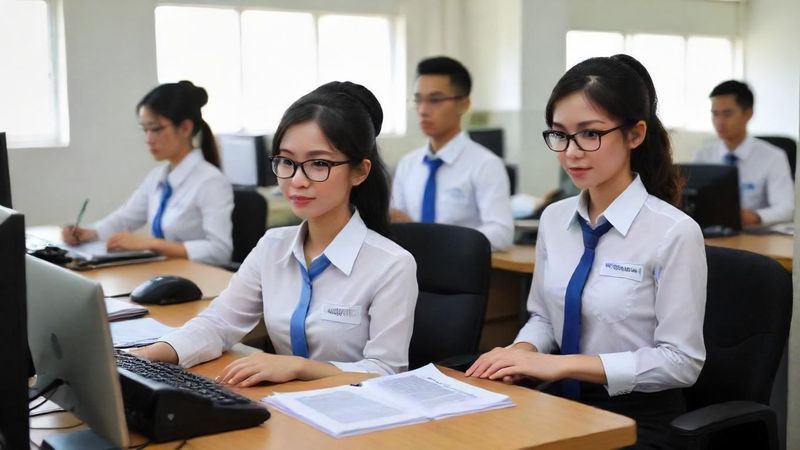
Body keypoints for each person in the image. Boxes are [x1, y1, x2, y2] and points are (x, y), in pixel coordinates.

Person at [466, 55, 707, 448]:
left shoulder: (674, 233)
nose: (571, 152)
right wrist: (521, 352)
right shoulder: (554, 219)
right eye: (560, 134)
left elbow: (681, 363)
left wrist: (554, 365)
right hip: (560, 400)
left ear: (635, 134)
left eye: (590, 134)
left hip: (636, 417)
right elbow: (544, 318)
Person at [130, 81, 418, 384]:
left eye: (319, 164)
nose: (297, 180)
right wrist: (147, 355)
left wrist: (298, 367)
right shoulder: (272, 247)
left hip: (355, 417)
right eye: (286, 161)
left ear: (359, 171)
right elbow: (218, 323)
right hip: (285, 409)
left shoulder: (391, 264)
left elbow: (386, 371)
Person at [62, 81, 234, 266]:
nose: (148, 139)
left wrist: (150, 244)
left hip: (198, 280)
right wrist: (89, 233)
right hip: (165, 273)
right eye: (145, 130)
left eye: (156, 129)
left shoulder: (211, 181)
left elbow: (219, 251)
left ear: (185, 128)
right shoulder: (158, 176)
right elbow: (125, 218)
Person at [390, 56, 514, 250]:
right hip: (409, 270)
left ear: (463, 104)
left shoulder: (485, 164)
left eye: (435, 100)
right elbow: (396, 220)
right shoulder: (408, 164)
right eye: (418, 100)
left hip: (458, 274)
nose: (423, 110)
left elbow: (502, 233)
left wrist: (436, 241)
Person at [694, 80, 794, 226]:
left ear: (748, 114)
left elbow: (787, 208)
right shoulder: (702, 155)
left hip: (755, 235)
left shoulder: (774, 156)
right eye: (715, 114)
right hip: (711, 233)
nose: (719, 121)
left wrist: (755, 216)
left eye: (727, 114)